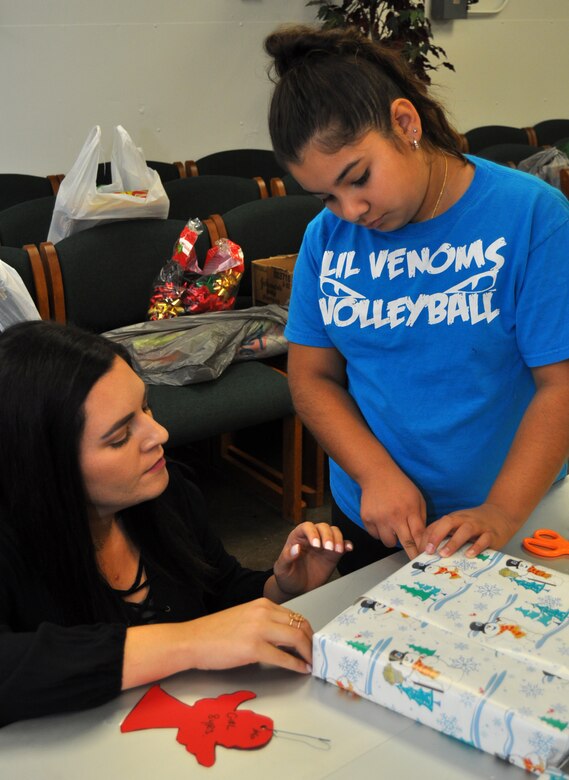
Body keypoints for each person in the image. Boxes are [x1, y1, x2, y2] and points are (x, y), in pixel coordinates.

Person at [264, 25, 569, 573]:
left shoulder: (532, 217)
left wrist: (501, 510)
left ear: (406, 123)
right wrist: (374, 472)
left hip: (512, 513)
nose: (351, 210)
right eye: (326, 196)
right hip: (377, 513)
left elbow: (560, 385)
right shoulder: (326, 239)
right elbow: (312, 378)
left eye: (358, 179)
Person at [0, 320, 353, 727]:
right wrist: (190, 642)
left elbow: (216, 590)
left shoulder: (163, 493)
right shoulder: (13, 543)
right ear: (47, 465)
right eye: (119, 437)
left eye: (146, 407)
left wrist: (280, 588)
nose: (159, 434)